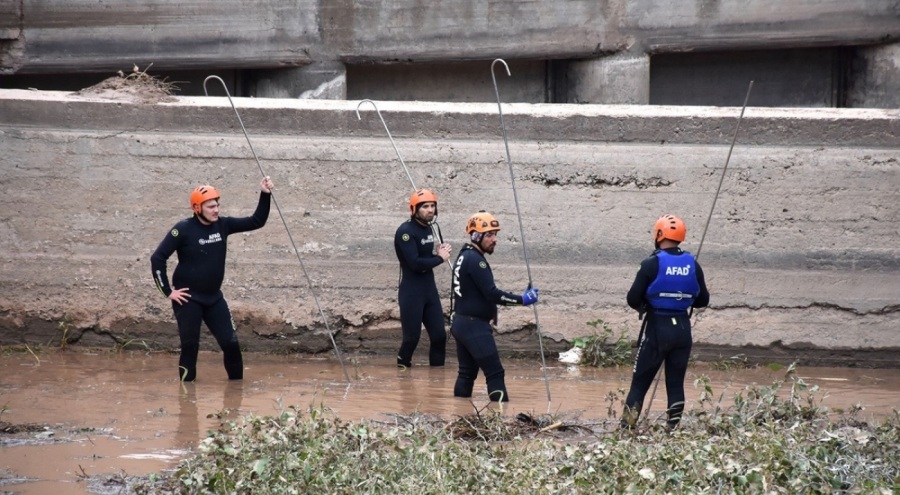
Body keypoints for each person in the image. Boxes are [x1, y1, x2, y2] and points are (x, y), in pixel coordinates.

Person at [151, 177, 273, 382]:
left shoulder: (223, 225)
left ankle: (236, 394)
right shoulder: (183, 229)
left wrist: (265, 194)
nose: (216, 210)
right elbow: (157, 258)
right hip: (188, 299)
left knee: (231, 344)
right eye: (211, 206)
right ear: (197, 208)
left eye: (217, 205)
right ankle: (187, 402)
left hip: (214, 298)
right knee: (190, 347)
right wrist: (168, 292)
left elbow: (256, 221)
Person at [621, 214, 709, 429]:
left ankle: (625, 432)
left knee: (639, 384)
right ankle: (673, 430)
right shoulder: (693, 264)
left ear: (659, 234)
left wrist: (645, 305)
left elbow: (632, 298)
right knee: (676, 384)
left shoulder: (651, 263)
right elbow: (703, 300)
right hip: (682, 330)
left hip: (657, 328)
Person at [450, 211, 539, 402]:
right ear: (476, 236)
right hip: (474, 327)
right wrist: (522, 300)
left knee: (466, 373)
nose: (494, 239)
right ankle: (501, 419)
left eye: (495, 234)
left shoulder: (465, 255)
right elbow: (492, 293)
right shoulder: (475, 260)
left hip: (462, 324)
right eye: (489, 235)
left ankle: (460, 414)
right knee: (495, 373)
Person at [394, 188, 452, 368]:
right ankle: (402, 373)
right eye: (425, 206)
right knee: (411, 339)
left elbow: (424, 257)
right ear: (414, 209)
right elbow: (415, 264)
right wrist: (440, 258)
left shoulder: (428, 229)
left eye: (432, 206)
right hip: (412, 292)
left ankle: (437, 379)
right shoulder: (405, 231)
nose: (430, 210)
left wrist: (436, 252)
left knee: (439, 336)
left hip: (429, 291)